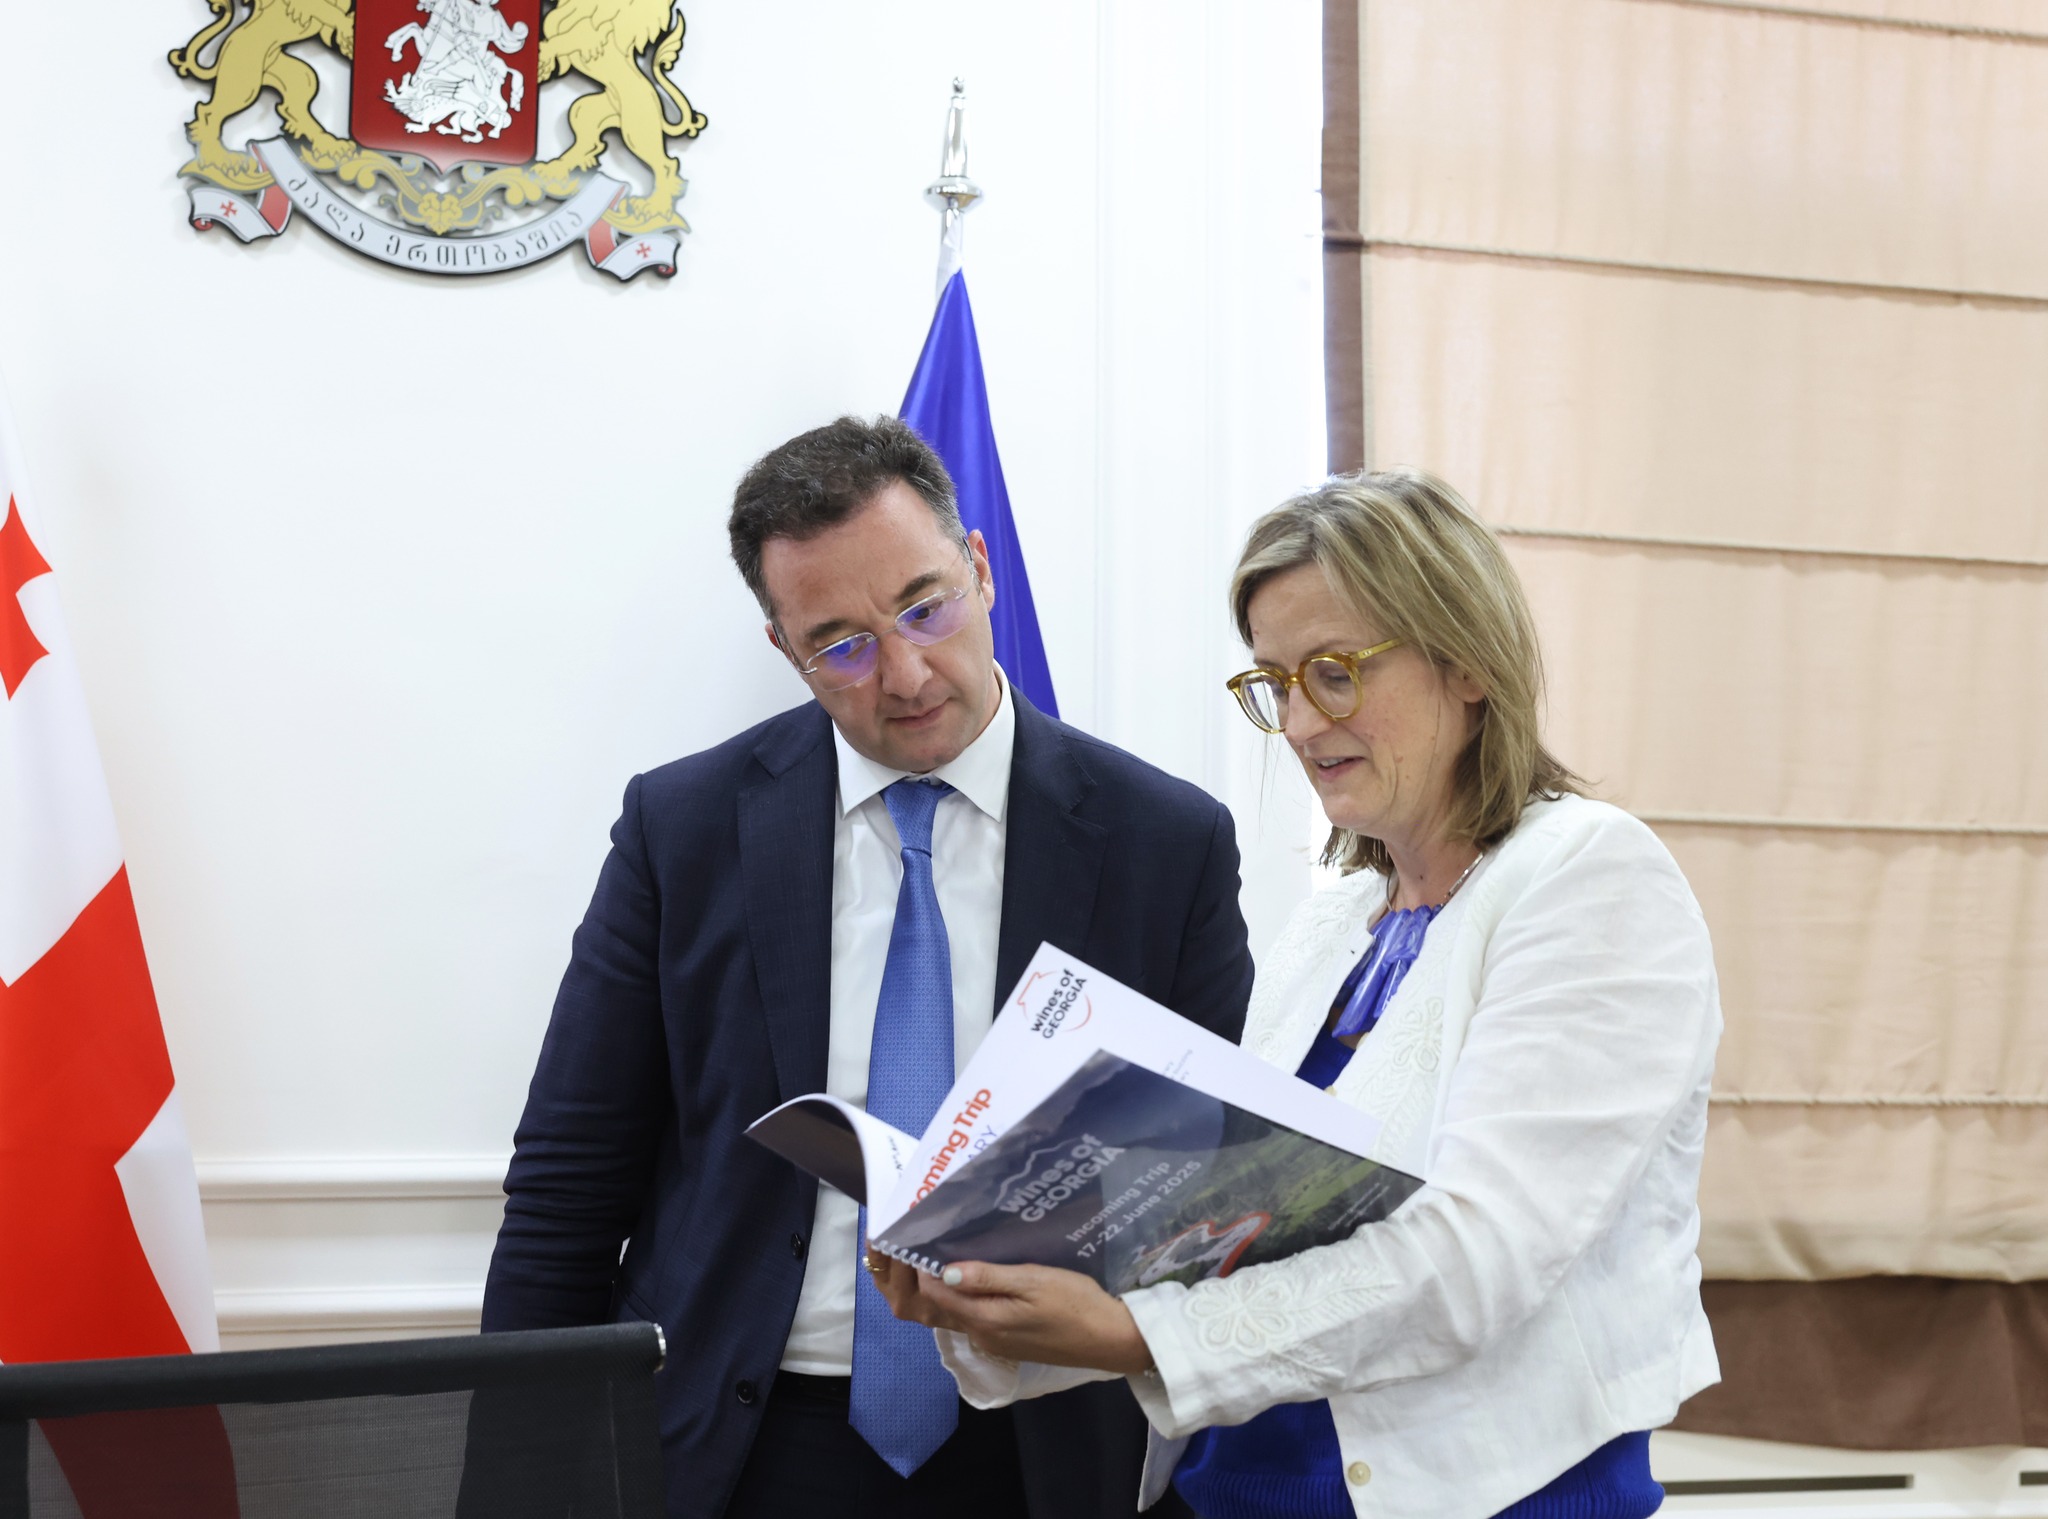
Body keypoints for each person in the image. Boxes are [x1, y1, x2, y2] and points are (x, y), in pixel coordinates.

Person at [872, 468, 1723, 1519]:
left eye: (1334, 672)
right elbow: (1223, 1250)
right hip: (1231, 1491)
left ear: (1465, 661)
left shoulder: (1590, 876)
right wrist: (989, 1296)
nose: (1303, 723)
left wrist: (1136, 1333)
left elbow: (1476, 1258)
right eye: (1275, 682)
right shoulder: (1333, 919)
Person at [480, 416, 1255, 1519]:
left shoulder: (1164, 843)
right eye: (839, 644)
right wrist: (513, 1486)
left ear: (979, 568)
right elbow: (568, 1183)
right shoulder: (683, 829)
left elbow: (1206, 1186)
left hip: (1042, 1448)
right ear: (784, 650)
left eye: (924, 607)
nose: (904, 673)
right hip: (742, 1449)